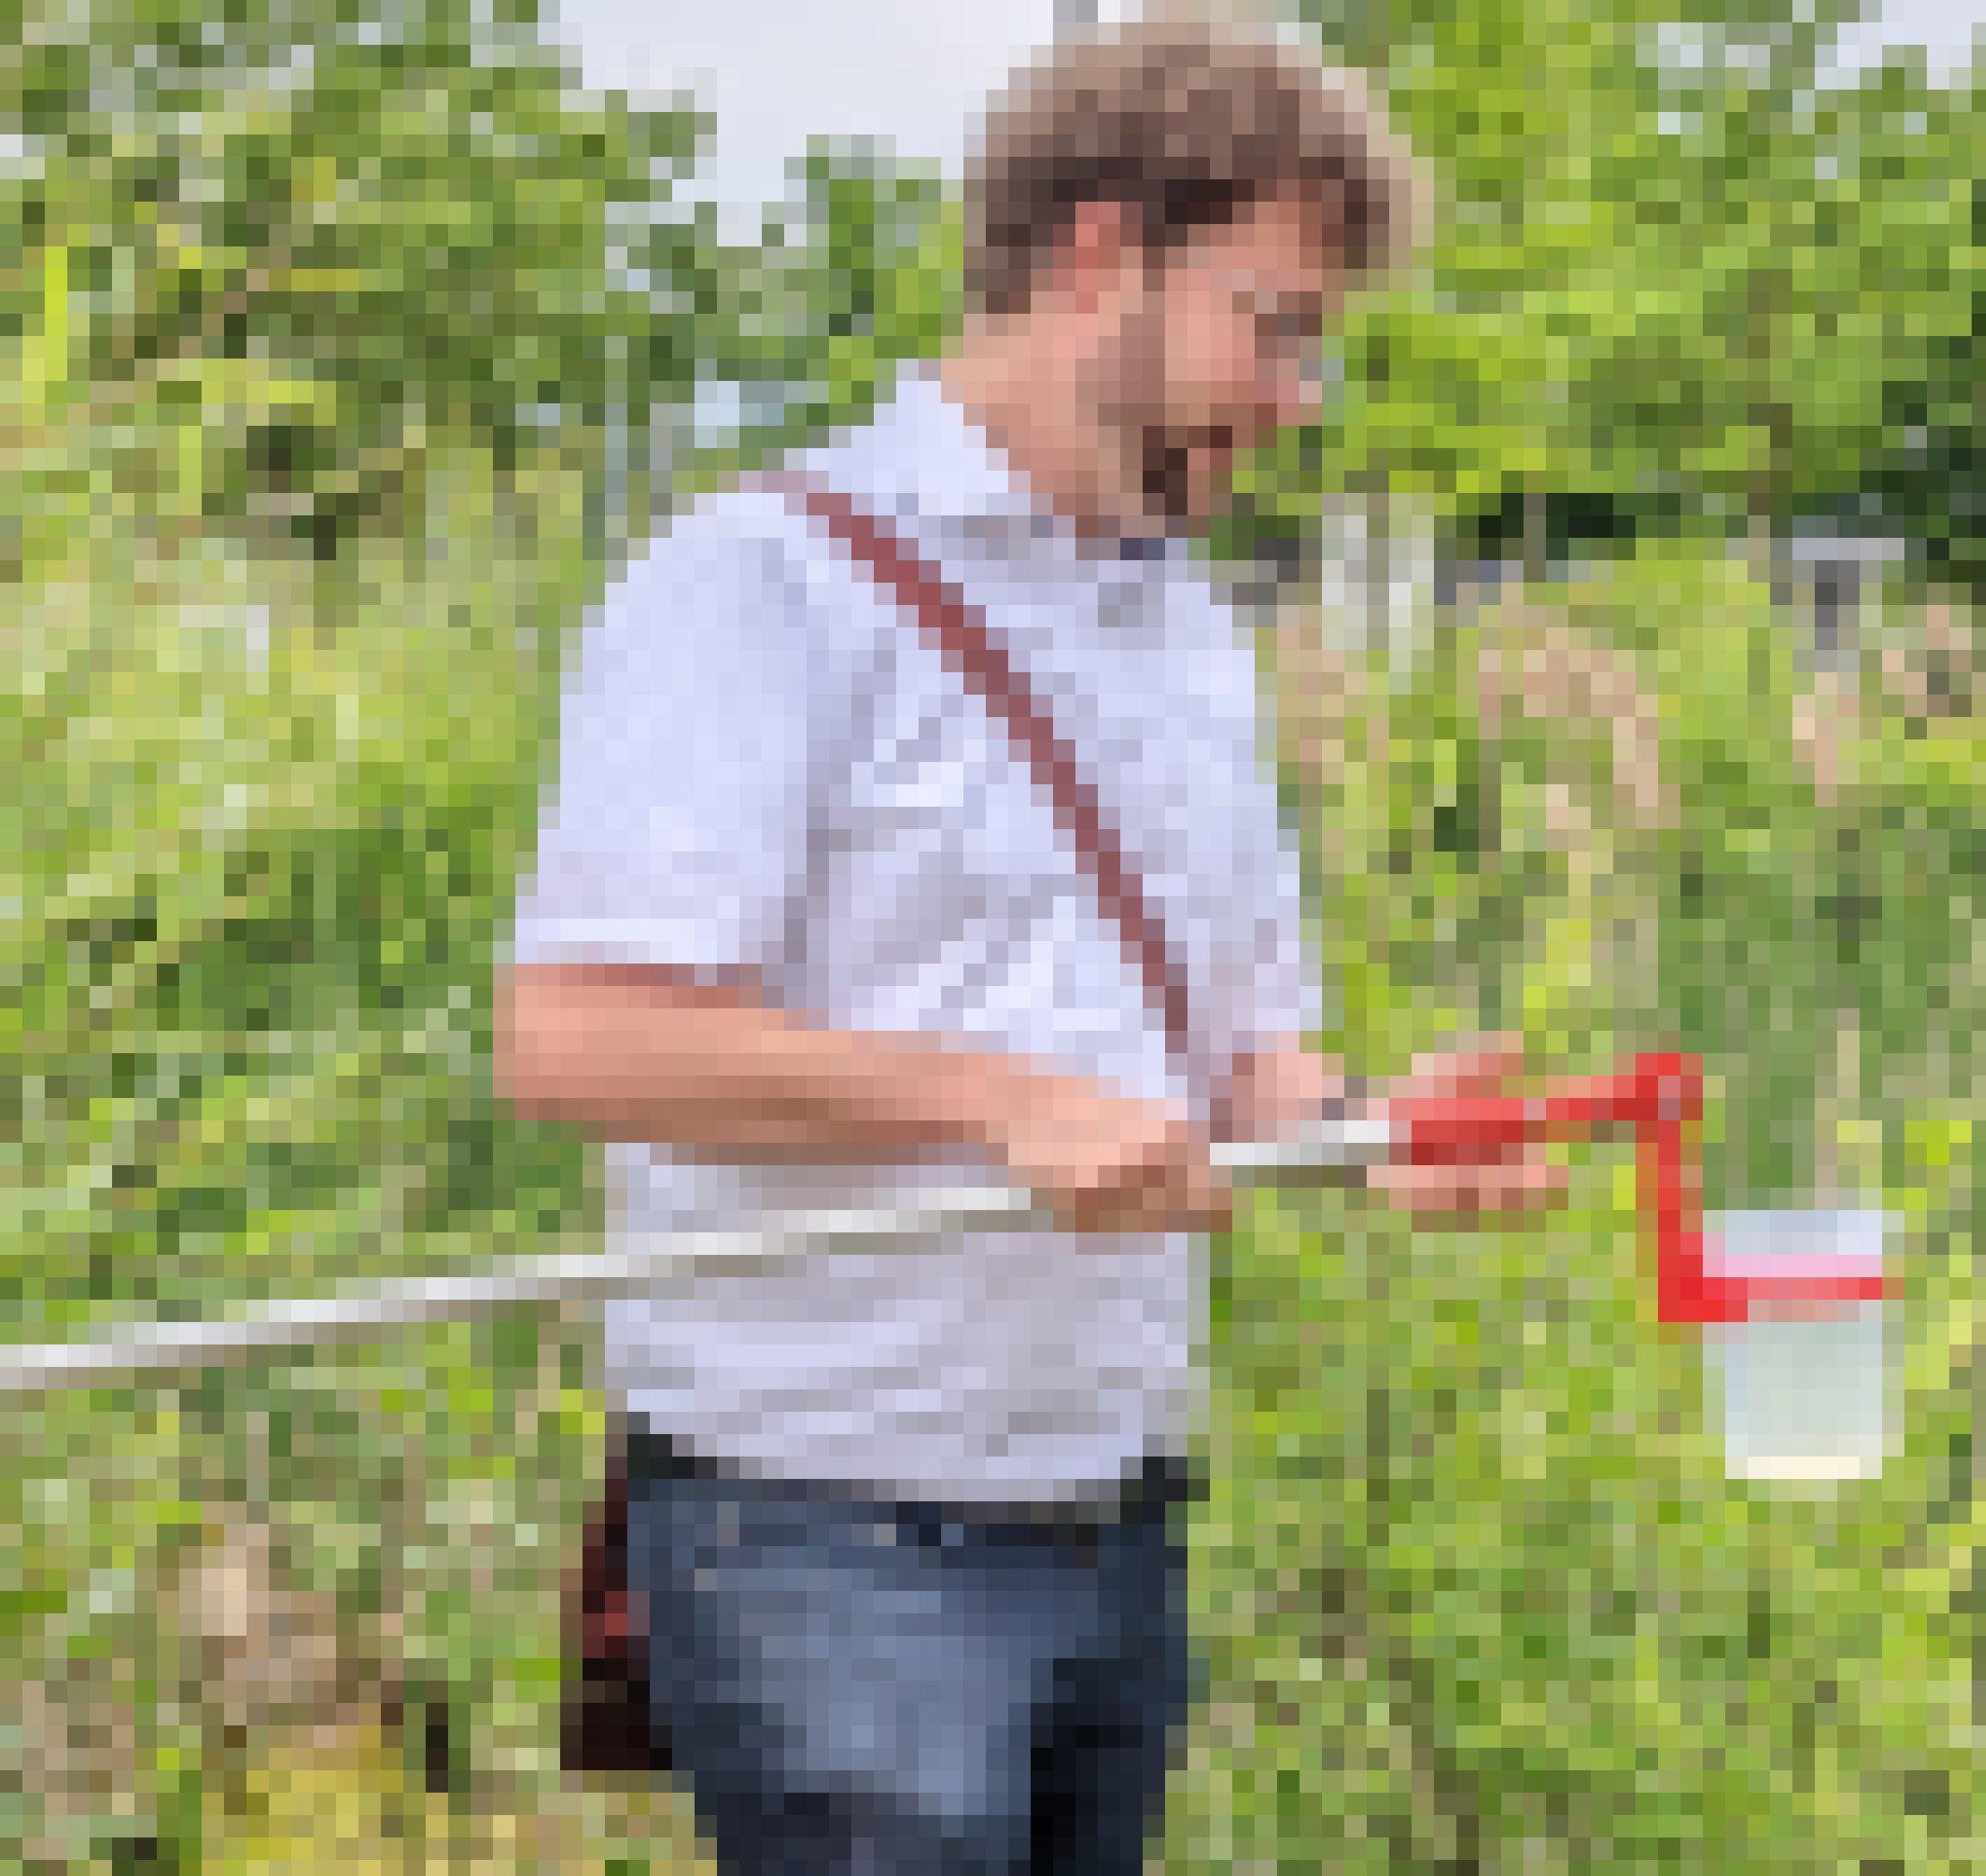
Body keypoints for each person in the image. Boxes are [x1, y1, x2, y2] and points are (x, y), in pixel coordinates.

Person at [497, 12, 1556, 1872]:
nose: (1298, 390)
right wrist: (990, 1101)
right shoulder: (763, 582)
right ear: (1098, 257)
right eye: (1276, 320)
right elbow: (573, 1037)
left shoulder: (1183, 641)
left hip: (1107, 1525)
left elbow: (1240, 1050)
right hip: (825, 1537)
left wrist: (1368, 1128)